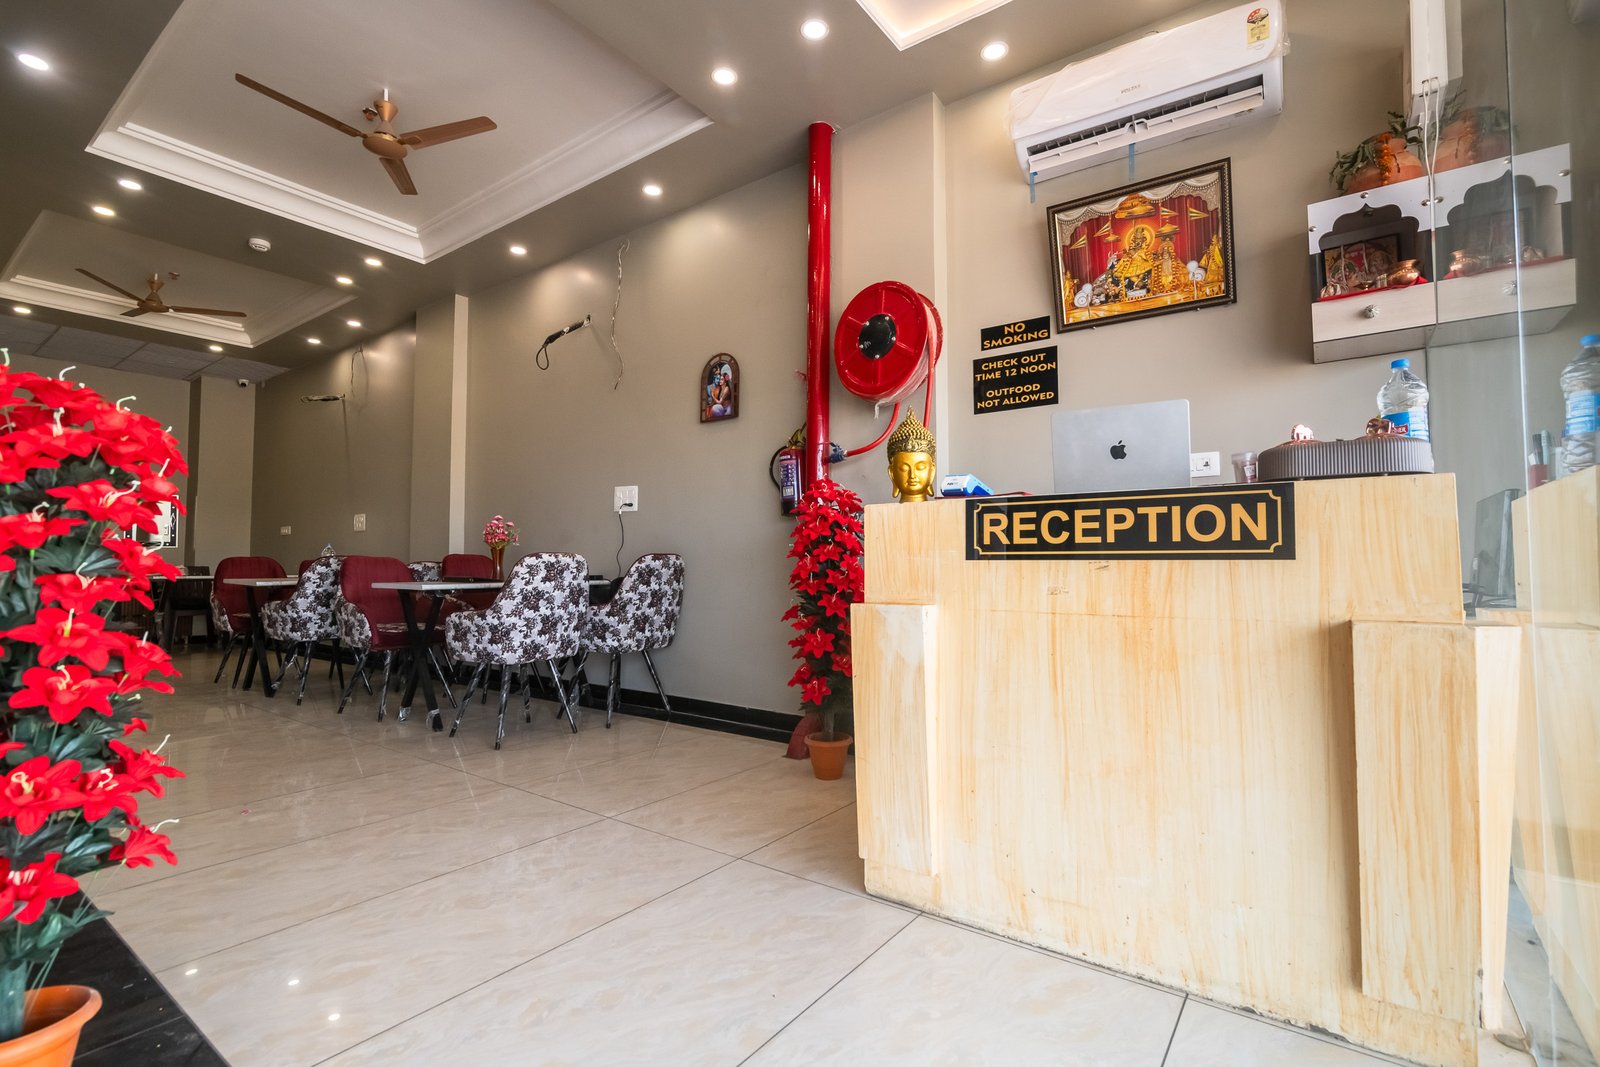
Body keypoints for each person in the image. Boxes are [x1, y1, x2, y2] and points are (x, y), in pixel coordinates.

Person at [886, 411, 936, 503]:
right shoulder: (883, 511)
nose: (912, 475)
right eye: (904, 468)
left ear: (932, 471)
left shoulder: (944, 509)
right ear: (892, 472)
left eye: (920, 467)